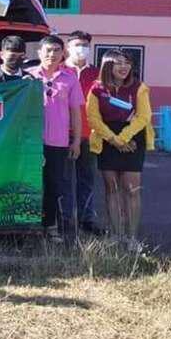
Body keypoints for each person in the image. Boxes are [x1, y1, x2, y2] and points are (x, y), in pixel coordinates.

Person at [86, 50, 154, 250]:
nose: (124, 67)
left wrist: (124, 138)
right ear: (108, 65)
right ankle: (116, 235)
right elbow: (93, 118)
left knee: (132, 190)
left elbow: (143, 117)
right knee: (112, 189)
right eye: (118, 63)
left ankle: (132, 239)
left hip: (133, 139)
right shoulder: (96, 89)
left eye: (127, 63)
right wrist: (114, 140)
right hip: (107, 139)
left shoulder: (139, 87)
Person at [27, 35, 84, 243]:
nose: (52, 54)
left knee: (53, 185)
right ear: (39, 52)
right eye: (48, 50)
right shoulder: (28, 77)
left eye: (56, 50)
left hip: (58, 142)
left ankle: (51, 227)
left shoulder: (70, 79)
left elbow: (76, 112)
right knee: (31, 184)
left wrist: (76, 141)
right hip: (31, 143)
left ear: (63, 54)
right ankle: (29, 226)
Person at [65, 30, 103, 235]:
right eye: (77, 45)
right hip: (62, 133)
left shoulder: (98, 74)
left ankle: (86, 219)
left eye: (85, 45)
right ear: (68, 47)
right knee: (63, 178)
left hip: (89, 134)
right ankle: (64, 219)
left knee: (87, 179)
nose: (81, 49)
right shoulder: (60, 70)